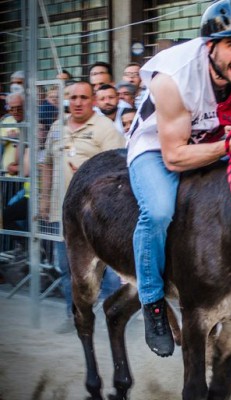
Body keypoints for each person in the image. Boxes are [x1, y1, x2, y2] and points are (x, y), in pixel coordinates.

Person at [126, 0, 231, 357]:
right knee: (159, 211)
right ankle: (153, 304)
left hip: (215, 140)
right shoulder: (173, 78)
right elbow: (175, 157)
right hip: (159, 147)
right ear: (210, 46)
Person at [40, 81, 125, 334]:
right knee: (68, 269)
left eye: (83, 97)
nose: (77, 102)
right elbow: (46, 164)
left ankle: (116, 320)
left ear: (93, 101)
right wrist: (44, 198)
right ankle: (74, 316)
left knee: (109, 271)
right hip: (63, 213)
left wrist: (92, 177)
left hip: (98, 217)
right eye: (73, 97)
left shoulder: (106, 128)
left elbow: (121, 168)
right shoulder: (57, 127)